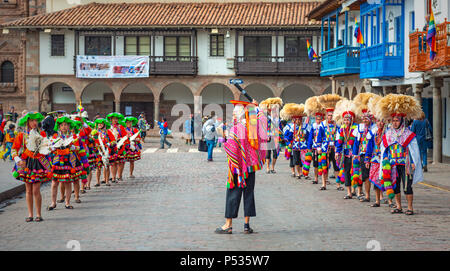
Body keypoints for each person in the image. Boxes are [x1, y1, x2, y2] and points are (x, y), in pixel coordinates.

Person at [215, 99, 267, 234]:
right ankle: (246, 225)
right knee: (249, 194)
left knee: (233, 193)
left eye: (233, 114)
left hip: (237, 168)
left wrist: (224, 136)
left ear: (239, 115)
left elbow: (230, 148)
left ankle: (228, 225)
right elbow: (263, 119)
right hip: (250, 167)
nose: (232, 116)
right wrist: (257, 107)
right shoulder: (253, 128)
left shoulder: (236, 129)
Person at [377, 94, 424, 216]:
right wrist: (385, 159)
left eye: (397, 120)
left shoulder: (408, 134)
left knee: (407, 187)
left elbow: (414, 150)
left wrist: (414, 162)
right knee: (396, 186)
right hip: (393, 165)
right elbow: (384, 149)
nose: (394, 122)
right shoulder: (388, 134)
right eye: (393, 120)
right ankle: (398, 206)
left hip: (406, 164)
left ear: (402, 121)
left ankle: (410, 208)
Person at [11, 112, 50, 222]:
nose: (34, 123)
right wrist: (18, 159)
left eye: (35, 121)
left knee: (36, 190)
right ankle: (30, 214)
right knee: (28, 190)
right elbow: (14, 149)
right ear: (27, 122)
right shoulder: (21, 135)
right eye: (32, 121)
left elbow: (46, 148)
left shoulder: (42, 134)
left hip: (38, 163)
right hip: (26, 163)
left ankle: (38, 214)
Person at [47, 116, 88, 210]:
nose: (64, 127)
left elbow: (81, 149)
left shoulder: (74, 137)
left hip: (70, 161)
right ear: (59, 127)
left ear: (69, 126)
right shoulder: (55, 137)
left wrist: (74, 148)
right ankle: (53, 202)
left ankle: (67, 202)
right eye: (61, 125)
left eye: (65, 125)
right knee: (54, 183)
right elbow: (49, 148)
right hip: (57, 161)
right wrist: (52, 148)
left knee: (68, 182)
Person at [334, 100, 359, 199]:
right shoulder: (342, 129)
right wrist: (337, 152)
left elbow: (357, 142)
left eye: (348, 120)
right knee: (346, 172)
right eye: (345, 120)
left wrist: (356, 153)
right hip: (345, 154)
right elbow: (339, 142)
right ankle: (349, 192)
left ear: (352, 120)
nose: (346, 122)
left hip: (354, 154)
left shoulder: (356, 128)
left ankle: (356, 191)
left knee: (356, 172)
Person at [317, 94, 342, 189]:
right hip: (325, 148)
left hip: (335, 148)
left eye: (332, 115)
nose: (330, 117)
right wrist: (318, 147)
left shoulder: (337, 124)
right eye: (329, 115)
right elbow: (319, 137)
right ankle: (323, 184)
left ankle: (338, 185)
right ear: (326, 116)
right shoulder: (322, 125)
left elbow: (340, 136)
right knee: (324, 167)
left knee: (336, 167)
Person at [282, 104, 309, 179]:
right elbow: (287, 136)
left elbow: (309, 136)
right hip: (295, 146)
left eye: (299, 119)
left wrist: (309, 145)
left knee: (303, 161)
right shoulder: (291, 127)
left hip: (304, 146)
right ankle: (299, 173)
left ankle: (304, 172)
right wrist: (288, 143)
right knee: (296, 161)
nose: (298, 121)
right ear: (294, 120)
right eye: (296, 119)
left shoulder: (305, 126)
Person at [305, 97, 326, 189]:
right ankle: (316, 178)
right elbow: (310, 137)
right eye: (317, 119)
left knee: (325, 163)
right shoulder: (313, 126)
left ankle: (324, 179)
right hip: (314, 147)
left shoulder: (325, 126)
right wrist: (309, 146)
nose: (318, 120)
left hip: (323, 147)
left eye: (320, 119)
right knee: (316, 163)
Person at [260, 98, 283, 174]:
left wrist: (281, 136)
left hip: (275, 137)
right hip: (268, 138)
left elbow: (280, 128)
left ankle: (273, 167)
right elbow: (264, 127)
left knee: (275, 153)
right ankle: (267, 167)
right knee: (268, 153)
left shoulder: (277, 119)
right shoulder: (266, 118)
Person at [107, 112, 127, 183]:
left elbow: (125, 135)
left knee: (120, 162)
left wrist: (121, 140)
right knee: (113, 163)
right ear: (111, 120)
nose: (115, 120)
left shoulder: (120, 127)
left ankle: (119, 175)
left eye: (116, 119)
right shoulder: (108, 127)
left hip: (120, 146)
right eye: (114, 119)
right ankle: (113, 177)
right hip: (112, 147)